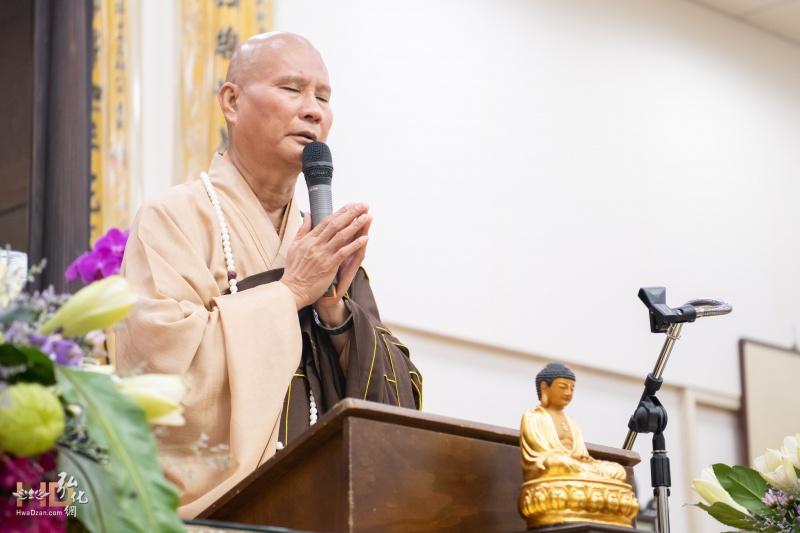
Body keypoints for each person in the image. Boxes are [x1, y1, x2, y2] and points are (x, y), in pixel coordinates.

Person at [116, 32, 422, 518]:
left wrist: (336, 316)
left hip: (320, 513)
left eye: (323, 97)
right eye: (291, 89)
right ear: (232, 101)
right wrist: (290, 293)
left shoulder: (323, 248)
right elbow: (160, 375)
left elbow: (396, 409)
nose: (313, 110)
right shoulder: (174, 217)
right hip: (219, 517)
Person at [520, 363, 626, 482]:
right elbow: (540, 454)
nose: (568, 393)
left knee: (617, 470)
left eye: (572, 388)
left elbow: (582, 453)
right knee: (558, 463)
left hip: (577, 466)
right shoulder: (534, 416)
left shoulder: (571, 421)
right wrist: (570, 457)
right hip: (555, 466)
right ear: (544, 387)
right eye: (562, 387)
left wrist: (585, 459)